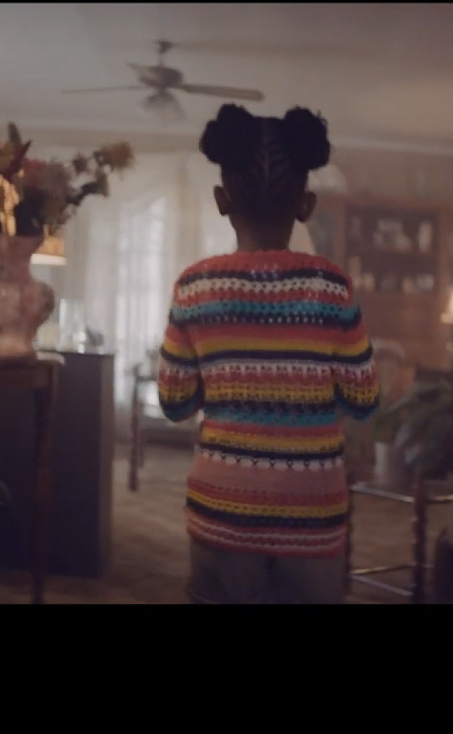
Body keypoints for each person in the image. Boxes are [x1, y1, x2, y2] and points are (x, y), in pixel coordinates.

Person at [156, 103, 379, 605]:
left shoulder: (194, 287)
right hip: (314, 512)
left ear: (220, 200)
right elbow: (364, 400)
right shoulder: (332, 287)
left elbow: (174, 404)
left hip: (222, 506)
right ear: (307, 204)